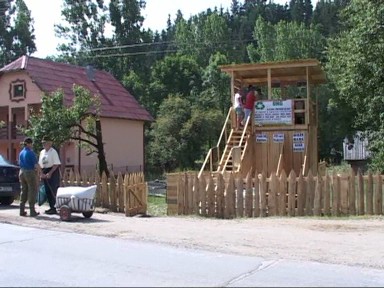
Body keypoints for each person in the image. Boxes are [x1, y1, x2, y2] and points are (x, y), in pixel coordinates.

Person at [18, 137, 41, 217]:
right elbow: (36, 165)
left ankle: (21, 210)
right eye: (31, 143)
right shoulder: (30, 153)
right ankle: (32, 210)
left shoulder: (21, 152)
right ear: (29, 144)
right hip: (29, 172)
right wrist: (40, 172)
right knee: (32, 189)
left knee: (24, 190)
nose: (32, 145)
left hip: (21, 172)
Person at [39, 136, 61, 214]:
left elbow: (56, 164)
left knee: (53, 189)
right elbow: (40, 164)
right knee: (47, 190)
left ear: (49, 143)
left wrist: (50, 173)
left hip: (52, 170)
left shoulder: (53, 151)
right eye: (43, 143)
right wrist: (41, 173)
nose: (44, 144)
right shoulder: (42, 152)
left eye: (45, 143)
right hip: (45, 170)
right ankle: (51, 207)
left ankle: (55, 207)